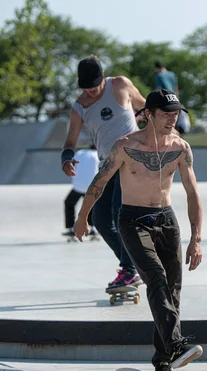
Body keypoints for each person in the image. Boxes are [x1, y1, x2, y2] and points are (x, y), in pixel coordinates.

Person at [73, 88, 204, 371]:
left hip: (167, 220)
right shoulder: (124, 146)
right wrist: (83, 217)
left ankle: (163, 364)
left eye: (176, 113)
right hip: (132, 220)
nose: (173, 118)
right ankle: (177, 344)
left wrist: (196, 239)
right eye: (166, 113)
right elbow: (99, 181)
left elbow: (193, 194)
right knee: (155, 278)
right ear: (148, 114)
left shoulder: (181, 148)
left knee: (172, 291)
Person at [61, 55, 147, 291]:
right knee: (99, 220)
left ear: (103, 78)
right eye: (86, 87)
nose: (90, 91)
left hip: (131, 161)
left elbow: (145, 106)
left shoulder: (119, 84)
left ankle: (130, 270)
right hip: (106, 166)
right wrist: (66, 157)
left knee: (121, 215)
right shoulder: (79, 107)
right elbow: (70, 141)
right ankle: (135, 265)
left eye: (95, 86)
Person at [63, 144, 99, 237]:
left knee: (69, 203)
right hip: (92, 186)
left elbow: (72, 164)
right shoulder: (97, 155)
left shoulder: (80, 153)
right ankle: (93, 228)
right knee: (91, 205)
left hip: (78, 186)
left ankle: (70, 228)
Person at [154, 61, 190, 135]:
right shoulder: (172, 74)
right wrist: (177, 100)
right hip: (173, 97)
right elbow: (176, 88)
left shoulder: (159, 75)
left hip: (164, 98)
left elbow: (158, 88)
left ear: (157, 68)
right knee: (174, 117)